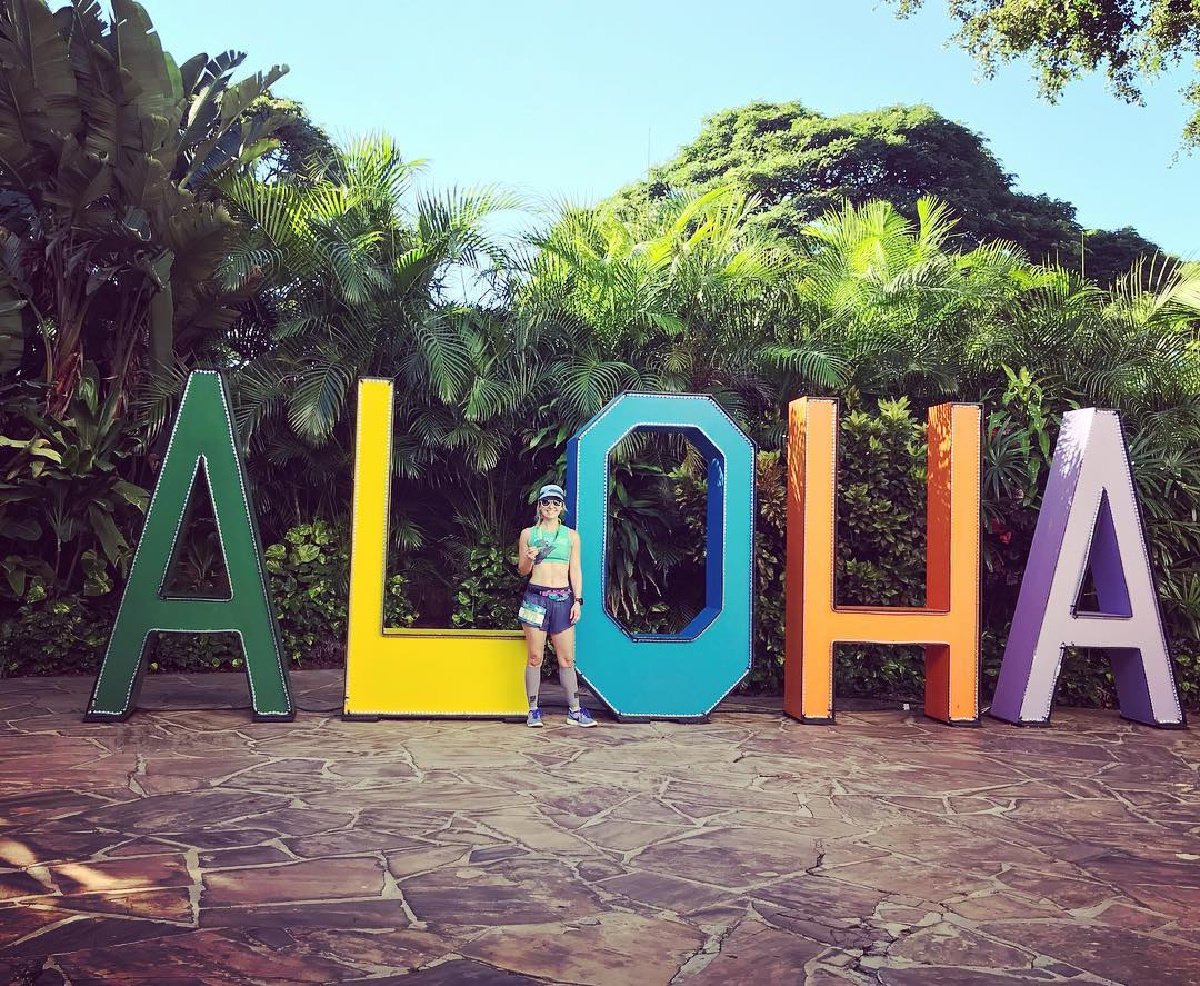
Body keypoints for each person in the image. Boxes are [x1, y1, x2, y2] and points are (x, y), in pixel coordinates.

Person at [516, 483, 596, 727]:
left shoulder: (571, 536)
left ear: (562, 507)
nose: (551, 507)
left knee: (566, 660)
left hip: (563, 599)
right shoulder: (528, 534)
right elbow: (522, 571)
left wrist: (578, 601)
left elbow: (576, 570)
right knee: (534, 657)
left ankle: (574, 710)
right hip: (535, 599)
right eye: (546, 502)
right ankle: (533, 710)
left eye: (555, 503)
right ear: (539, 506)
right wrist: (529, 559)